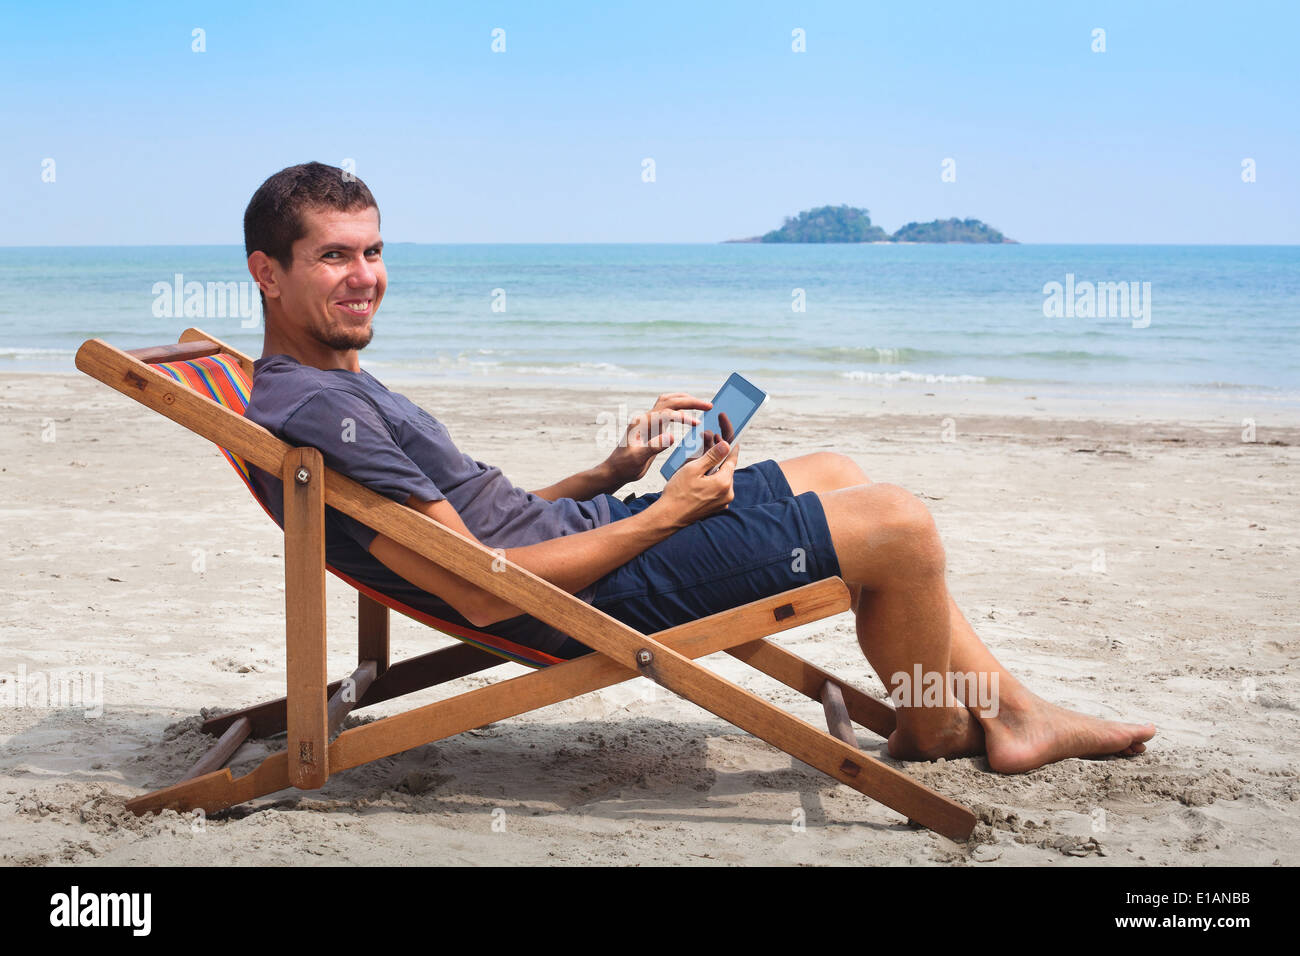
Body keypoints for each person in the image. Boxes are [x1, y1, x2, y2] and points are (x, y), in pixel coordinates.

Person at [242, 162, 1156, 773]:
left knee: (836, 469)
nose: (365, 276)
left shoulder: (327, 381)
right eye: (333, 257)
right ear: (269, 274)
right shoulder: (324, 409)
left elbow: (479, 520)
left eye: (373, 251)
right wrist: (666, 513)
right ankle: (936, 729)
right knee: (900, 525)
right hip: (582, 599)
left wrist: (607, 475)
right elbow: (481, 593)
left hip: (587, 542)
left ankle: (1017, 711)